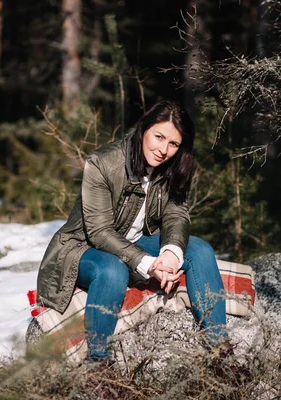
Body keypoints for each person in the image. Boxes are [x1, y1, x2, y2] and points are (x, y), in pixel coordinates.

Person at [36, 100, 226, 361]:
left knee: (199, 250)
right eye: (159, 137)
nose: (163, 150)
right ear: (143, 128)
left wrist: (170, 255)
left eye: (173, 144)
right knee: (112, 269)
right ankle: (99, 364)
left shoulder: (174, 166)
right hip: (83, 248)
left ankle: (220, 352)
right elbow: (99, 231)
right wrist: (148, 264)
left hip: (135, 242)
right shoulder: (103, 163)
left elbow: (176, 213)